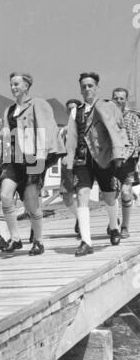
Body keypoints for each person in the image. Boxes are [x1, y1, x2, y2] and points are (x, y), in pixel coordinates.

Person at [0, 72, 66, 255]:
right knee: (5, 195)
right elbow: (6, 134)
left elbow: (46, 129)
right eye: (11, 84)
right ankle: (15, 238)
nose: (13, 87)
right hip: (13, 160)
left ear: (27, 86)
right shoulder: (8, 111)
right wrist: (2, 134)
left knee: (31, 202)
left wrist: (41, 159)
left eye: (16, 84)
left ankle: (38, 240)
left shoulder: (38, 104)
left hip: (33, 159)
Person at [66, 72, 129, 257]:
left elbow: (119, 129)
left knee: (109, 197)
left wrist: (119, 153)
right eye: (84, 86)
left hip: (103, 158)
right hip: (82, 160)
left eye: (90, 85)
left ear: (97, 87)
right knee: (82, 194)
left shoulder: (108, 107)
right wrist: (69, 161)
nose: (87, 89)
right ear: (80, 89)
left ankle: (114, 226)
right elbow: (71, 138)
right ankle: (86, 241)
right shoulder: (75, 111)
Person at [111, 88, 140, 237]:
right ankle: (113, 222)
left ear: (126, 100)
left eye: (122, 98)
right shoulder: (108, 116)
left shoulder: (133, 117)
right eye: (116, 98)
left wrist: (122, 157)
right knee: (110, 194)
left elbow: (135, 142)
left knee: (125, 192)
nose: (119, 101)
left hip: (128, 160)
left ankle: (125, 226)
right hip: (110, 160)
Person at [60, 99, 82, 239]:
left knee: (81, 195)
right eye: (69, 109)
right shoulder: (63, 130)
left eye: (74, 108)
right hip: (66, 167)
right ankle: (79, 217)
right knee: (67, 198)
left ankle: (83, 225)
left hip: (81, 164)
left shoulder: (82, 126)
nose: (71, 111)